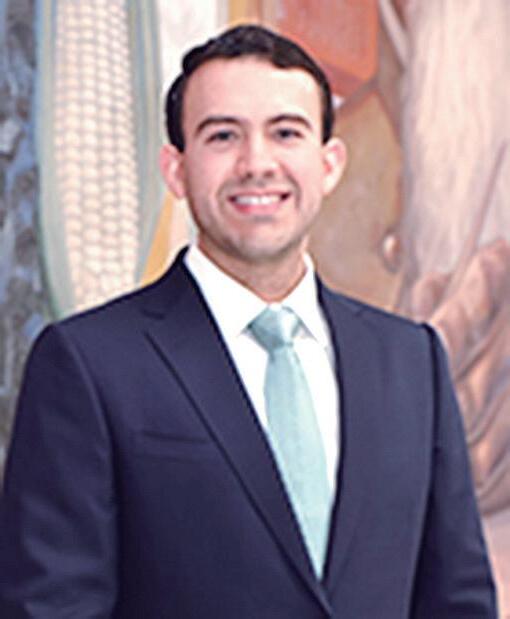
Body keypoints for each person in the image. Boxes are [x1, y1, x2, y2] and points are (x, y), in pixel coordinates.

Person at [0, 24, 497, 618]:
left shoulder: (411, 360)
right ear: (177, 169)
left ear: (329, 164)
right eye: (222, 136)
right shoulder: (88, 364)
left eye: (286, 133)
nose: (257, 163)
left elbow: (457, 601)